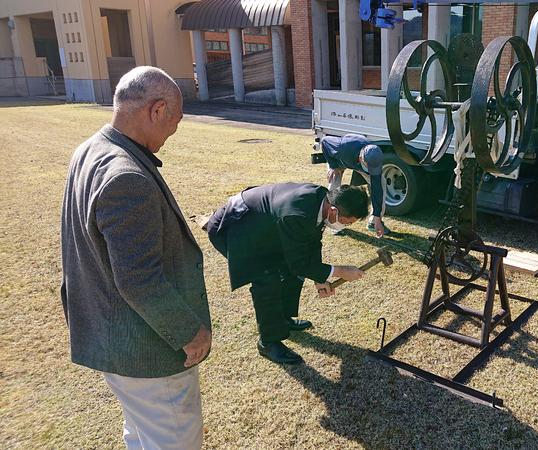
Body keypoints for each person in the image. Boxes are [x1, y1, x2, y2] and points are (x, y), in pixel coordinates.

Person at [60, 66, 211, 450]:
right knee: (173, 440)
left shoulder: (88, 150)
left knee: (141, 434)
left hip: (115, 341)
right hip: (148, 353)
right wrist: (189, 332)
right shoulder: (127, 177)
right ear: (157, 110)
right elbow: (139, 279)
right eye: (175, 121)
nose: (172, 133)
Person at [205, 183, 368, 364]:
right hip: (234, 227)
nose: (345, 226)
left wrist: (319, 277)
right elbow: (299, 263)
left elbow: (312, 240)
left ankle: (282, 319)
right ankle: (268, 342)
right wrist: (340, 271)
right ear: (333, 211)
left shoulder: (323, 199)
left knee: (290, 271)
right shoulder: (297, 213)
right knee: (267, 279)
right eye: (347, 222)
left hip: (263, 225)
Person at [320, 134, 390, 237]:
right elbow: (325, 142)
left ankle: (373, 222)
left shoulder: (375, 158)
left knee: (381, 182)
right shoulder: (343, 147)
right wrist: (333, 166)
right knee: (334, 184)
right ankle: (332, 223)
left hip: (355, 162)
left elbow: (377, 190)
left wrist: (377, 217)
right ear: (361, 158)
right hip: (340, 160)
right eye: (368, 167)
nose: (371, 170)